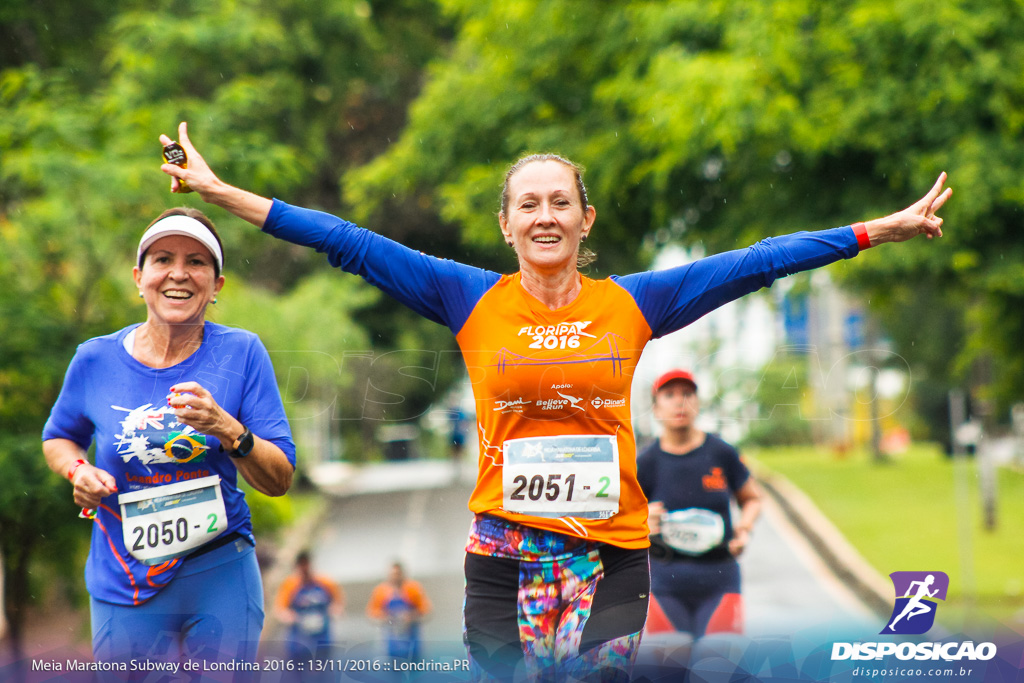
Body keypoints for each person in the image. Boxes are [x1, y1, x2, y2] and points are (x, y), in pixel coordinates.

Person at [159, 121, 951, 681]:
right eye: (528, 204)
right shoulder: (466, 297)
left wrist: (877, 230)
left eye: (559, 202)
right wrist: (220, 191)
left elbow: (756, 262)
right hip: (503, 551)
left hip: (610, 550)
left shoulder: (634, 304)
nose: (545, 216)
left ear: (585, 218)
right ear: (507, 224)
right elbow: (348, 242)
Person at [42, 206, 296, 668]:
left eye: (197, 262)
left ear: (216, 285)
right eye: (163, 259)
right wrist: (78, 470)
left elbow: (279, 479)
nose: (178, 273)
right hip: (124, 570)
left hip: (218, 563)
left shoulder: (243, 352)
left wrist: (227, 428)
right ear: (139, 277)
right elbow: (59, 437)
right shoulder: (94, 359)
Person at [637, 369, 761, 641]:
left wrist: (744, 528)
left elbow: (751, 498)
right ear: (656, 408)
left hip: (720, 580)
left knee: (717, 667)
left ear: (698, 403)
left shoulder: (721, 452)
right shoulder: (646, 462)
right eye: (669, 395)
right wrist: (642, 519)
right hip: (664, 584)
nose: (680, 402)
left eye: (687, 394)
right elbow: (623, 518)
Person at [366, 562, 432, 660]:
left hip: (412, 640)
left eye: (398, 574)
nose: (395, 577)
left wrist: (412, 616)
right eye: (393, 574)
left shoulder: (413, 589)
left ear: (403, 574)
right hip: (391, 641)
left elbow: (427, 612)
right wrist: (387, 618)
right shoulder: (381, 591)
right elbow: (371, 616)